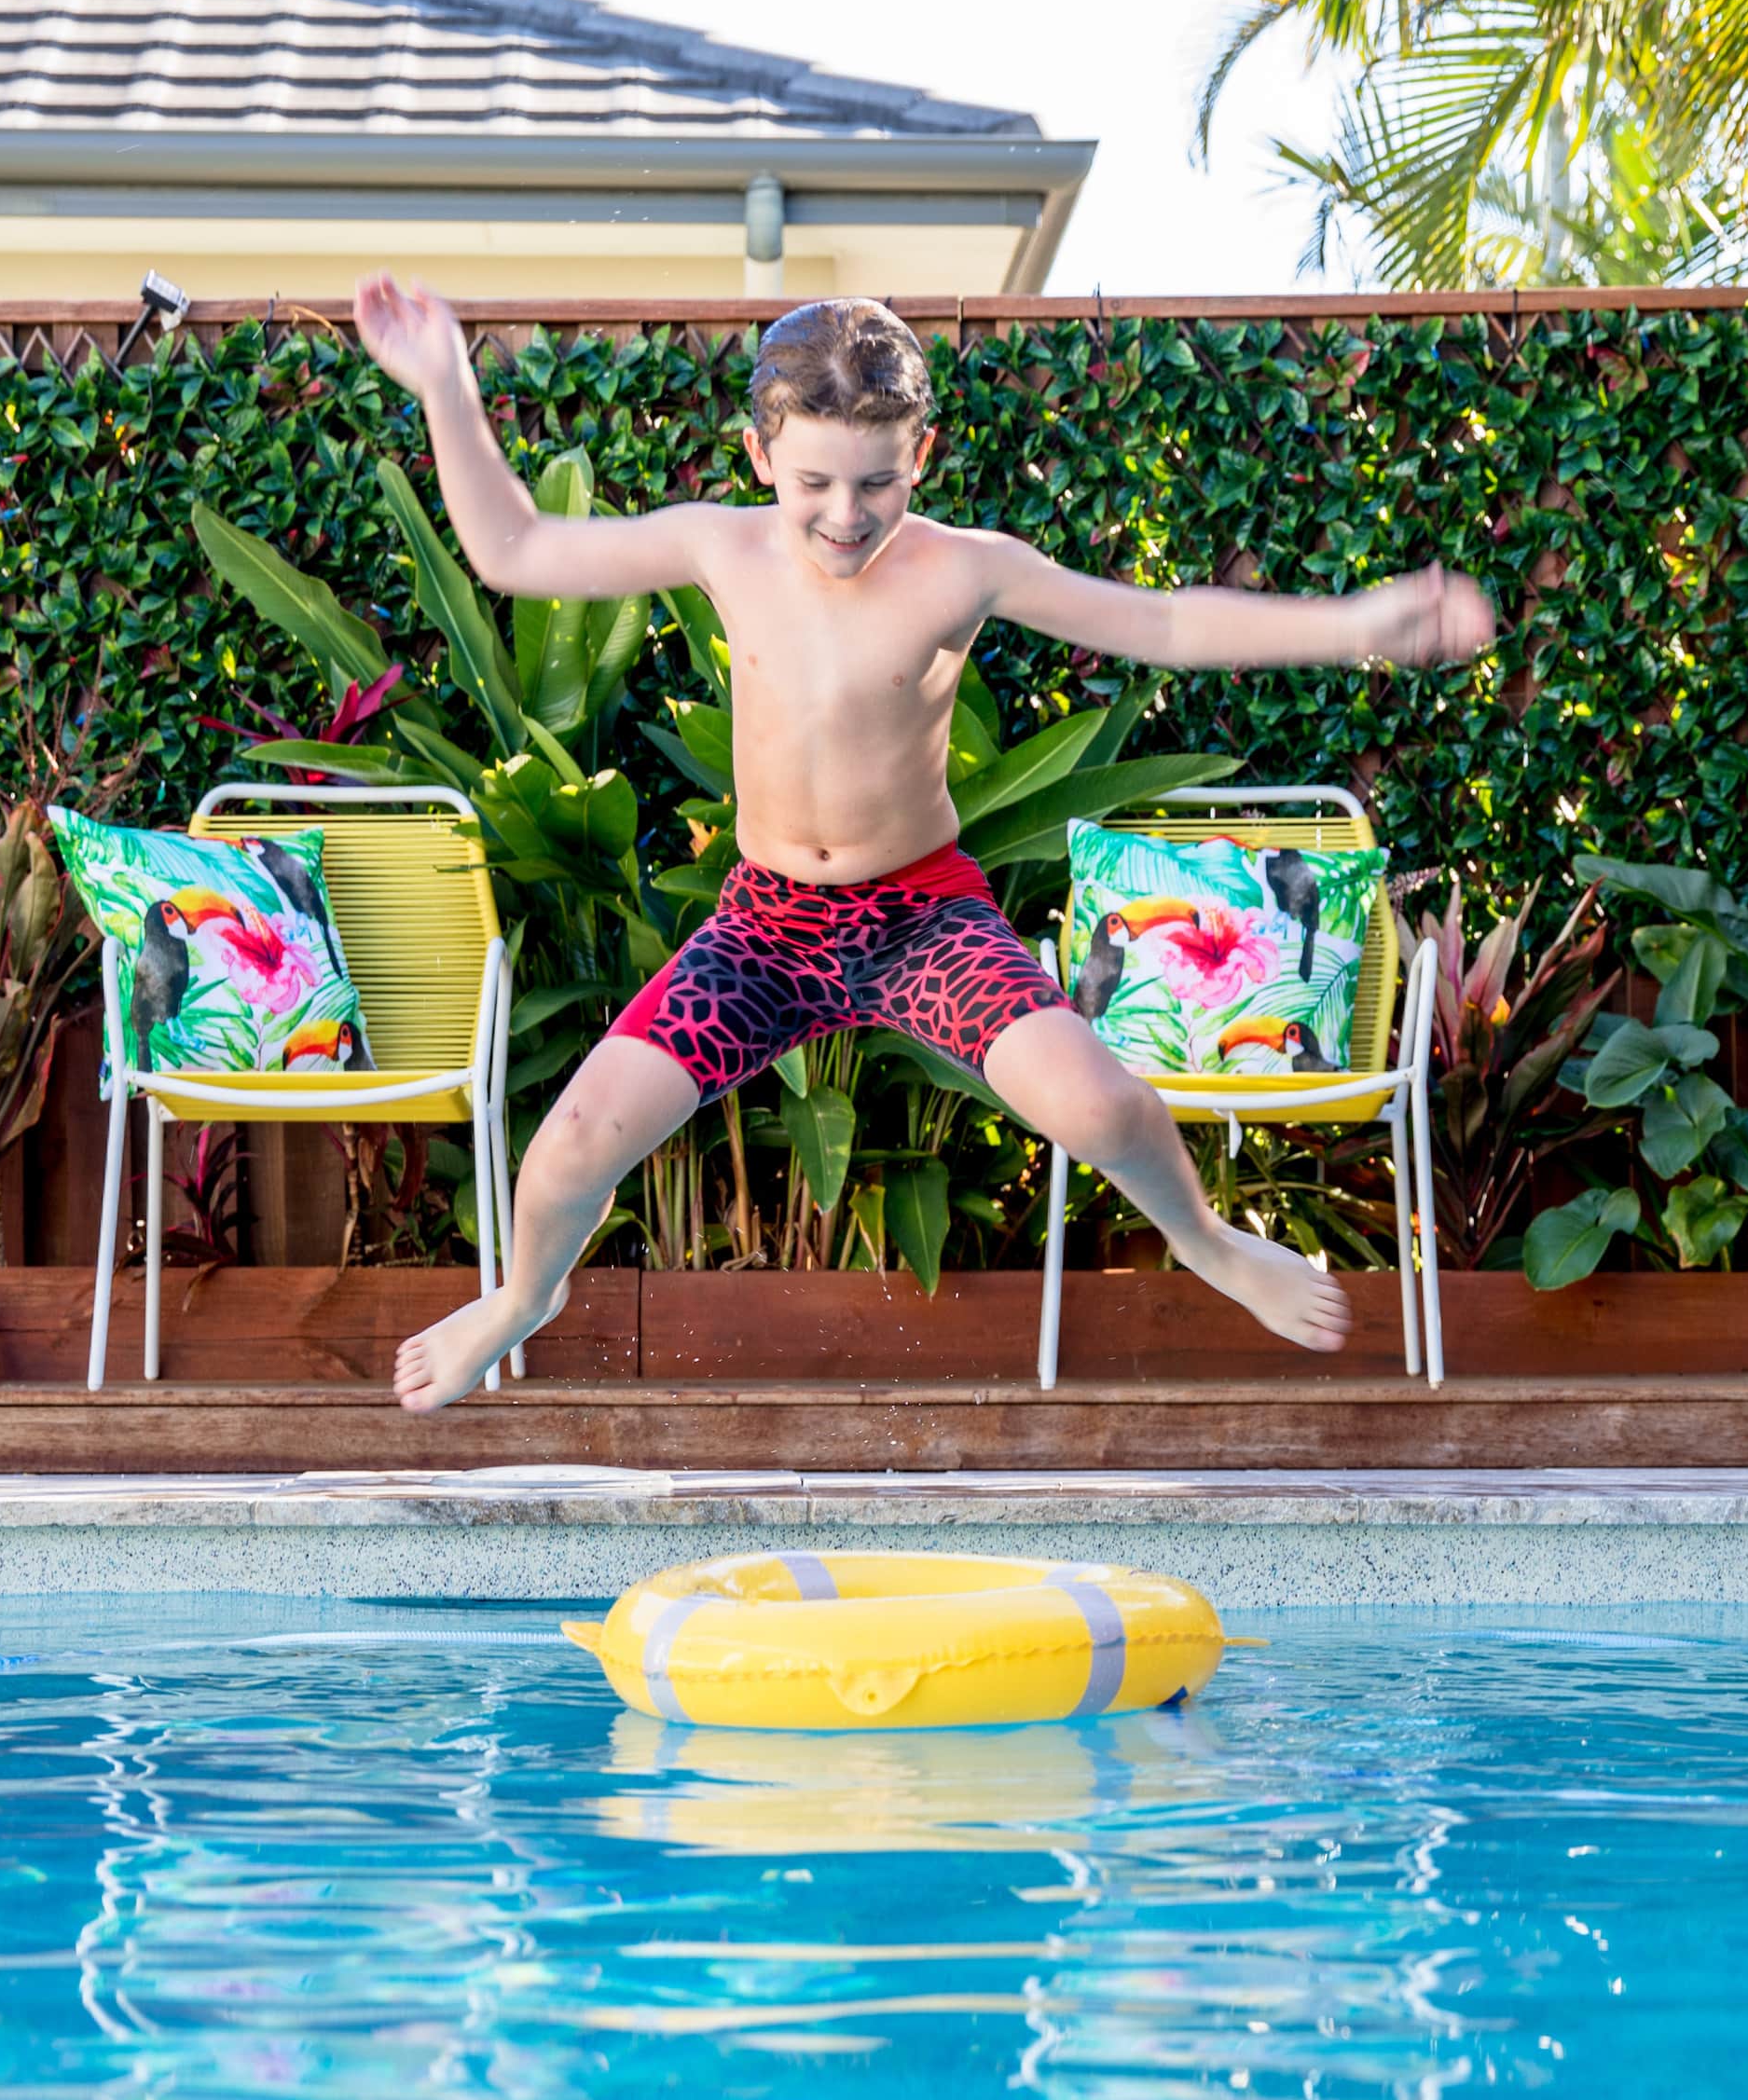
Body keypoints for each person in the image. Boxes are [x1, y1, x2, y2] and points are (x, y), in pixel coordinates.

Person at [346, 278, 1500, 1413]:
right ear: (759, 457)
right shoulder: (723, 549)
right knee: (568, 1150)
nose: (844, 516)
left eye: (876, 483)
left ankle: (1200, 1240)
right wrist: (446, 383)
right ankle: (523, 1299)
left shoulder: (963, 568)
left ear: (922, 456)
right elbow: (513, 550)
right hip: (763, 931)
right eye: (812, 484)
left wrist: (1358, 624)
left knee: (1104, 1108)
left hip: (918, 919)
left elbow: (1160, 623)